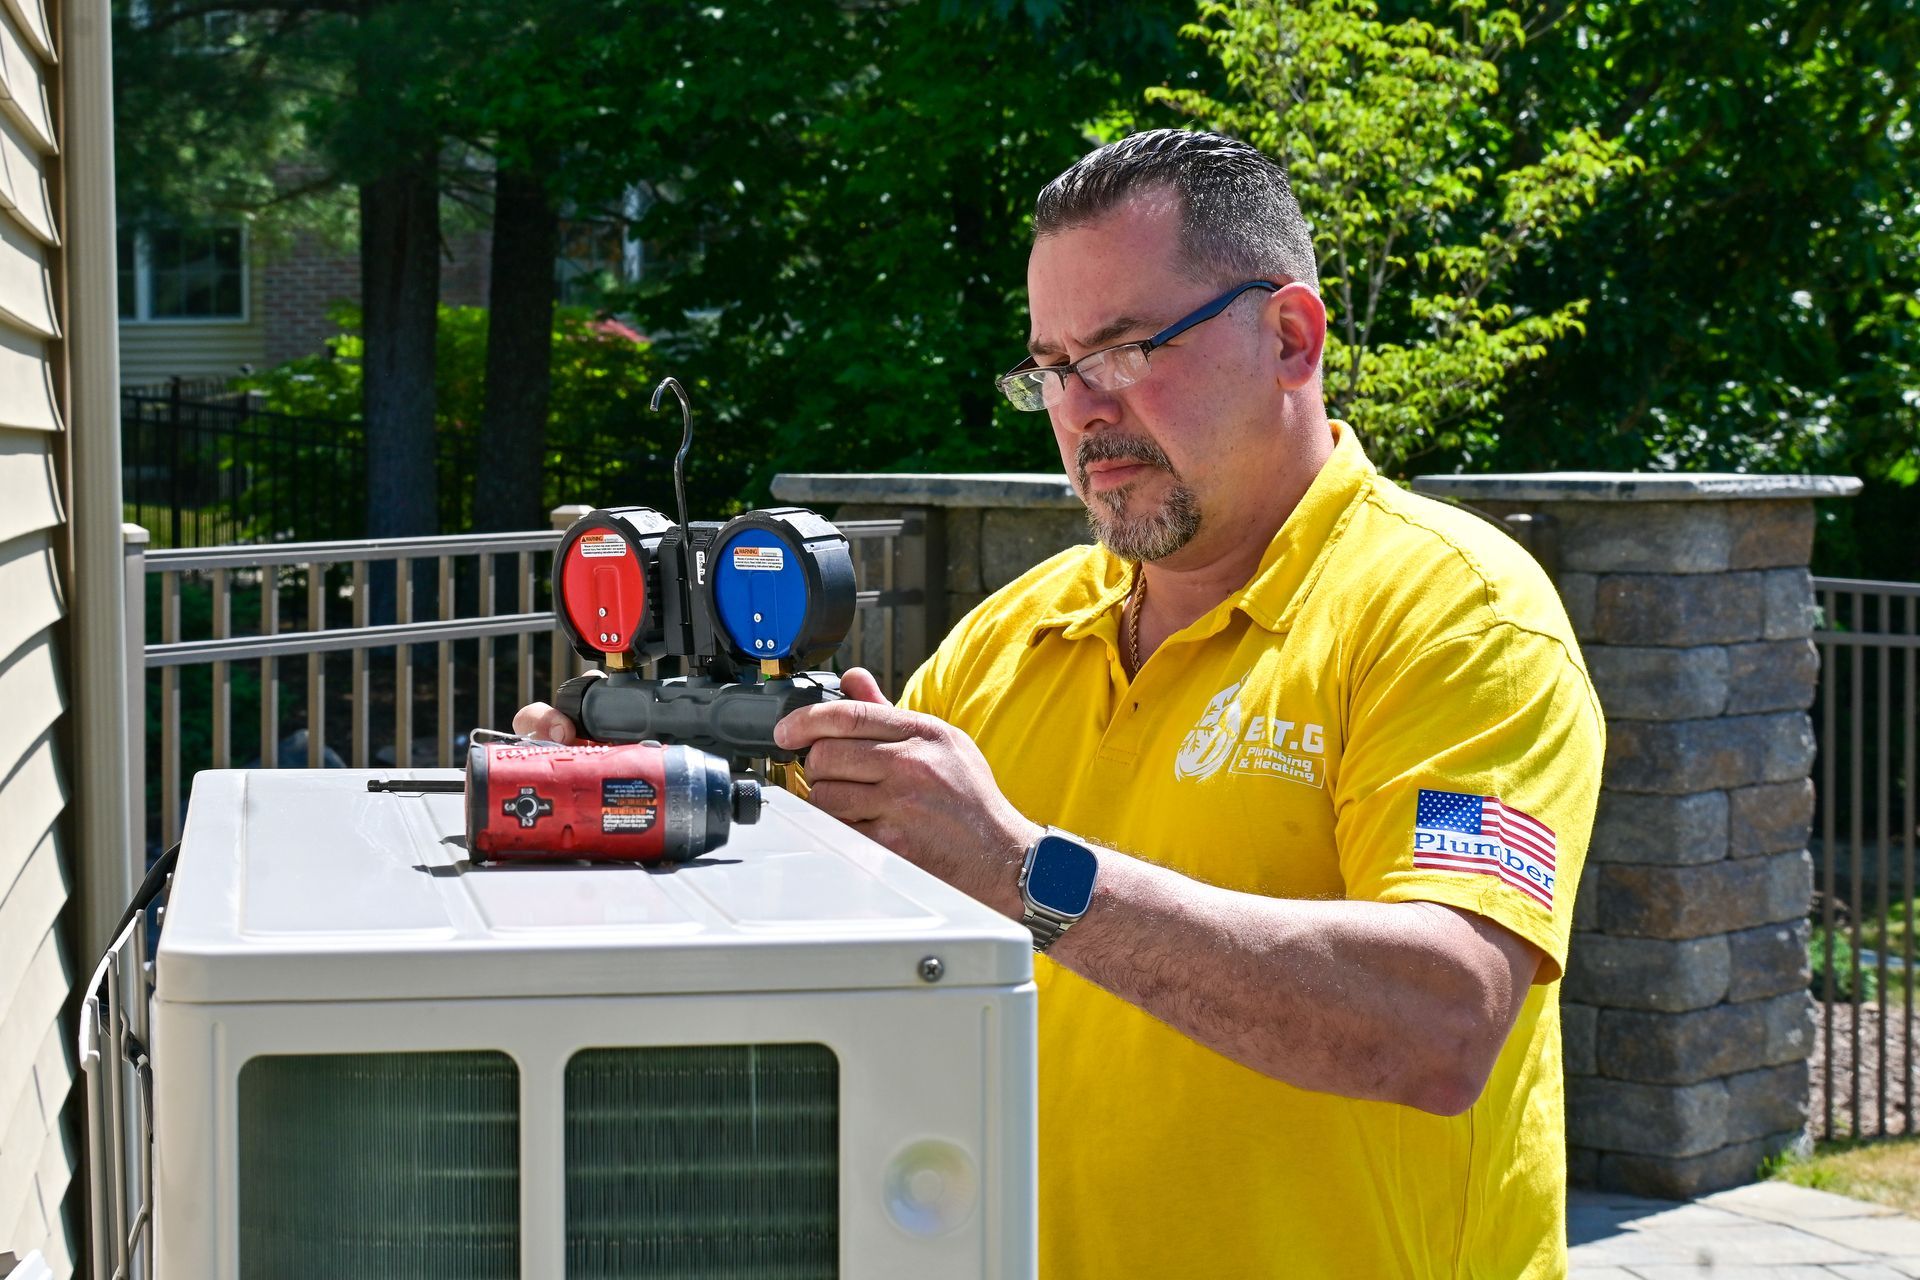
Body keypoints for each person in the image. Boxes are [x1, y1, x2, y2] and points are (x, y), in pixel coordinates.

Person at [519, 128, 1603, 1278]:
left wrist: (1023, 868)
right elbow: (837, 897)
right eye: (1051, 365)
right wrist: (623, 798)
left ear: (1291, 336)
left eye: (1127, 347)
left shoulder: (1459, 615)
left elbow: (1437, 1021)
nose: (1080, 407)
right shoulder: (1019, 628)